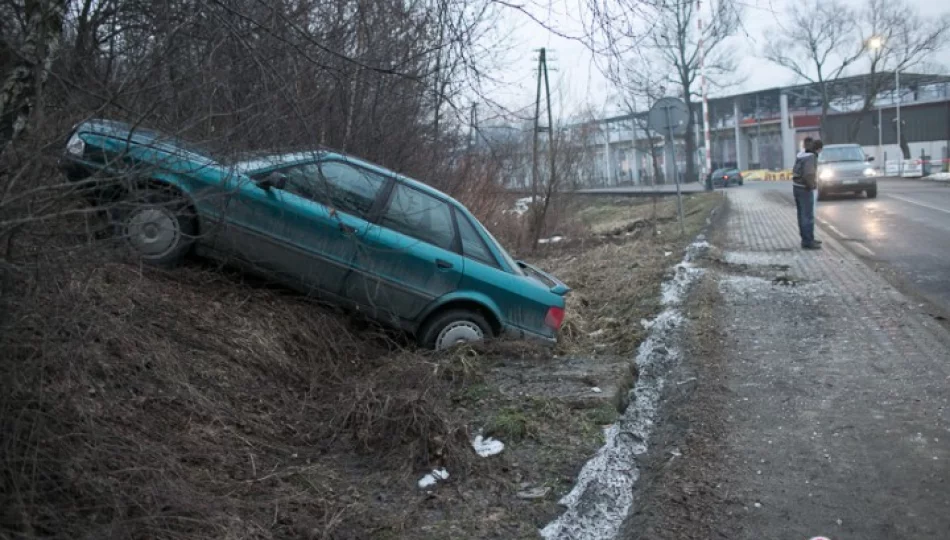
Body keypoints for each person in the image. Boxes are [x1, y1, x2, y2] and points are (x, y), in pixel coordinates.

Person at [792, 138, 823, 250]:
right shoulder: (811, 157)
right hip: (805, 189)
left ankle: (806, 238)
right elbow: (809, 174)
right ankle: (808, 241)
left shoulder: (801, 155)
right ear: (818, 149)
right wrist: (812, 186)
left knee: (801, 215)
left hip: (797, 187)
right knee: (807, 216)